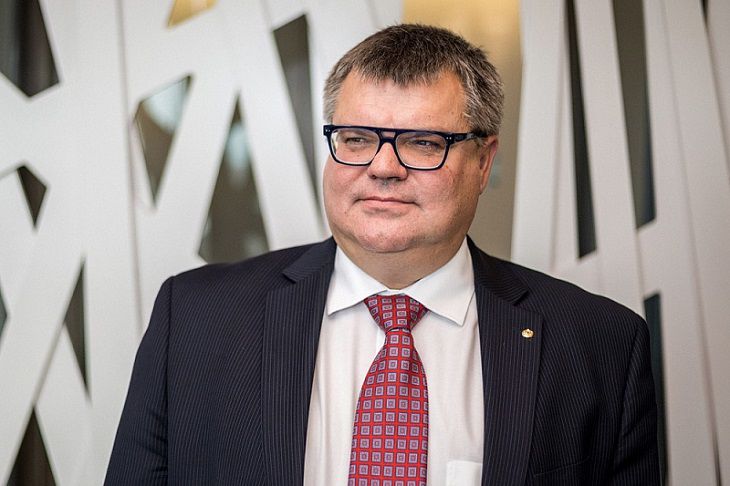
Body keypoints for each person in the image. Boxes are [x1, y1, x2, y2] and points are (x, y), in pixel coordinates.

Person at [105, 24, 659, 485]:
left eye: (423, 143)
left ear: (483, 162)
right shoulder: (196, 318)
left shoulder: (601, 346)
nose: (383, 168)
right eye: (356, 138)